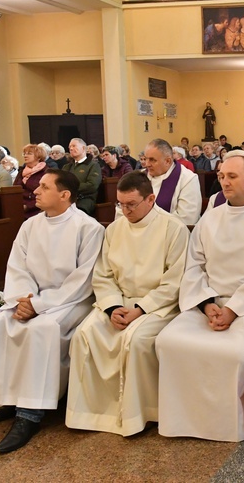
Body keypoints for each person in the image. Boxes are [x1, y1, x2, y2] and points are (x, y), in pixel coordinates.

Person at [155, 152, 244, 442]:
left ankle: (227, 426)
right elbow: (194, 266)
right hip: (209, 304)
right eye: (222, 176)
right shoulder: (210, 218)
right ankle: (183, 421)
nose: (224, 182)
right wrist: (207, 303)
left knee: (235, 353)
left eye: (232, 176)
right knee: (168, 341)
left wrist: (234, 309)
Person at [0, 169, 103, 453]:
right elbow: (18, 266)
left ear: (64, 195)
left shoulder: (88, 228)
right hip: (29, 297)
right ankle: (11, 397)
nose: (35, 190)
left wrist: (38, 306)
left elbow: (82, 280)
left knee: (42, 330)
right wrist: (24, 300)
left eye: (44, 187)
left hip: (70, 300)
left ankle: (30, 414)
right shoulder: (30, 225)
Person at [66, 172, 189, 437]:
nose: (125, 210)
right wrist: (111, 307)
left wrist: (139, 309)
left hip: (157, 305)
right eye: (120, 204)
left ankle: (138, 414)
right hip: (118, 303)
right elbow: (103, 275)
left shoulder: (173, 228)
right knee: (85, 336)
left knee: (135, 341)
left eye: (131, 204)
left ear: (151, 199)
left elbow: (174, 280)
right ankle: (91, 413)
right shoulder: (114, 228)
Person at [142, 138, 201, 226]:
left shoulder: (187, 179)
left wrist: (148, 224)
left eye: (152, 160)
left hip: (170, 235)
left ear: (168, 161)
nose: (147, 164)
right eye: (145, 159)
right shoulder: (139, 176)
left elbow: (187, 218)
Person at [63, 138, 102, 215]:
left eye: (74, 146)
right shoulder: (67, 167)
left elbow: (92, 185)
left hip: (84, 200)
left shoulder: (93, 165)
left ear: (83, 148)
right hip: (67, 199)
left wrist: (71, 188)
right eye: (69, 147)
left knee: (75, 214)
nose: (71, 148)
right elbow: (61, 183)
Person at [13, 144, 50, 219]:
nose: (25, 156)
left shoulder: (46, 172)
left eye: (29, 153)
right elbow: (15, 188)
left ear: (38, 157)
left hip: (37, 209)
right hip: (19, 207)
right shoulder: (22, 171)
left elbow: (46, 193)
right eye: (24, 153)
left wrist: (28, 206)